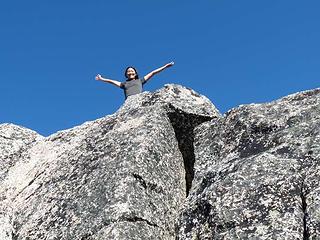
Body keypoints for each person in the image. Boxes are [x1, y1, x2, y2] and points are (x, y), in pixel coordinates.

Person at [95, 62, 174, 99]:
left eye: (132, 71)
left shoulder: (140, 80)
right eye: (128, 71)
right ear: (126, 74)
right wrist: (102, 79)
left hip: (139, 99)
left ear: (135, 73)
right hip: (129, 101)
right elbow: (112, 81)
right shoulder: (124, 84)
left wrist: (165, 66)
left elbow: (153, 73)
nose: (130, 72)